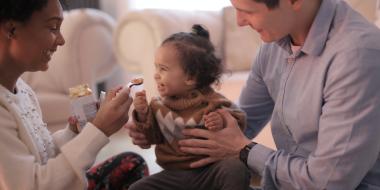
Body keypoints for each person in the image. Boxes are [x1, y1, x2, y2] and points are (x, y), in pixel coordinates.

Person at [130, 0, 380, 189]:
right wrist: (157, 128)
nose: (238, 21)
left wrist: (245, 150)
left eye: (248, 10)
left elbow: (329, 182)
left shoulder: (357, 56)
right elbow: (236, 125)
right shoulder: (274, 46)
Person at [0, 0, 147, 189]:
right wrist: (99, 130)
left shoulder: (22, 90)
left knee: (130, 164)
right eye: (53, 28)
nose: (61, 40)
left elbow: (42, 156)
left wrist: (76, 131)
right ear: (12, 29)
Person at [128, 24, 251, 190]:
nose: (156, 75)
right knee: (138, 188)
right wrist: (142, 115)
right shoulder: (157, 106)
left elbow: (238, 119)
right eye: (156, 67)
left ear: (190, 77)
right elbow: (151, 138)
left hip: (211, 171)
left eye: (163, 69)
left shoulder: (212, 102)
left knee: (236, 169)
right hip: (174, 175)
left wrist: (220, 121)